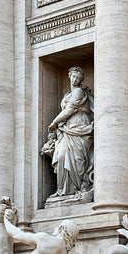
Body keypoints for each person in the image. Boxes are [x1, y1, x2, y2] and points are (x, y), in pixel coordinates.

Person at [43, 67, 94, 198]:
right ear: (69, 76)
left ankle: (77, 187)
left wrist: (54, 123)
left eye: (78, 78)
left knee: (78, 159)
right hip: (67, 129)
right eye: (73, 76)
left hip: (80, 126)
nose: (75, 79)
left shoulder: (79, 92)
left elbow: (69, 111)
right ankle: (63, 190)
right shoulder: (67, 95)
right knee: (61, 156)